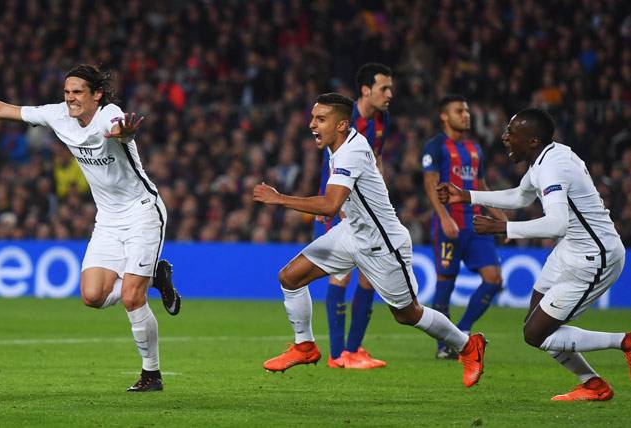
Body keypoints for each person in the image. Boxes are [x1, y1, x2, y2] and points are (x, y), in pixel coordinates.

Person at [0, 64, 182, 392]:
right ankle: (156, 277)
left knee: (130, 297)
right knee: (92, 296)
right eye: (67, 92)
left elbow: (120, 128)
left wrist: (124, 133)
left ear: (97, 94)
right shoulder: (58, 116)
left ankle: (151, 374)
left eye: (78, 92)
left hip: (142, 212)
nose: (70, 98)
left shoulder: (109, 113)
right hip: (108, 218)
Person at [254, 93, 486, 388]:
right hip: (352, 232)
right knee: (290, 277)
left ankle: (468, 346)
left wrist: (279, 198)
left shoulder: (350, 151)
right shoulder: (338, 144)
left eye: (320, 119)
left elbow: (329, 204)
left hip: (382, 245)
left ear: (341, 124)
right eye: (313, 117)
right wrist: (338, 209)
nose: (312, 124)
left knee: (407, 314)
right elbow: (343, 198)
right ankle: (305, 346)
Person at [438, 108, 631, 401]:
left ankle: (624, 343)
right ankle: (593, 385)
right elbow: (520, 196)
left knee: (535, 334)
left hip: (595, 258)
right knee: (535, 324)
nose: (505, 138)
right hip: (570, 250)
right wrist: (467, 195)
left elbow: (557, 223)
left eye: (512, 132)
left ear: (532, 141)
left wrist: (502, 227)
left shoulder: (553, 166)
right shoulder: (547, 157)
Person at [314, 63, 393, 369]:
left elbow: (377, 159)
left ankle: (354, 348)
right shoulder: (346, 121)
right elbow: (333, 164)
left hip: (368, 207)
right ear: (365, 90)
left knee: (370, 277)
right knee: (341, 275)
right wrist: (336, 205)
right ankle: (337, 355)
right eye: (384, 88)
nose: (390, 94)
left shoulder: (382, 120)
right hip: (342, 203)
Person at [421, 95, 506, 359]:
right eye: (459, 111)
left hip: (476, 224)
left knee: (493, 279)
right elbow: (430, 184)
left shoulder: (474, 148)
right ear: (444, 116)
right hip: (450, 224)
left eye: (467, 110)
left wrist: (499, 216)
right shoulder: (435, 146)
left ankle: (462, 330)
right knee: (446, 281)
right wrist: (444, 217)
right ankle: (443, 347)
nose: (466, 115)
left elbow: (480, 187)